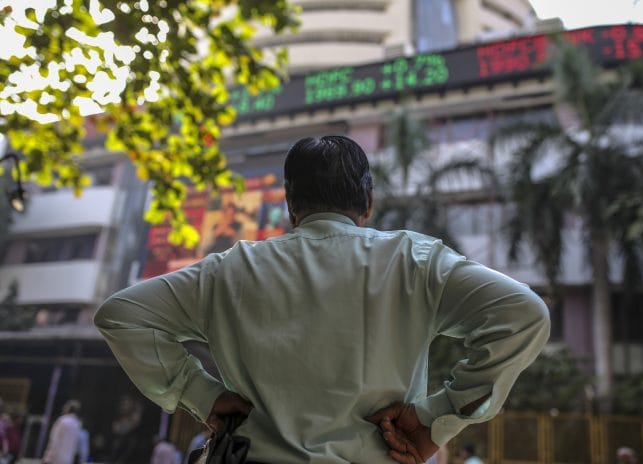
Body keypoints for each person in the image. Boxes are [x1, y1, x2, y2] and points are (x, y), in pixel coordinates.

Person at [95, 135, 550, 464]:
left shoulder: (230, 270)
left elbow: (122, 315)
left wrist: (199, 393)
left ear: (290, 205)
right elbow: (522, 315)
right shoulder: (414, 261)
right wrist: (437, 419)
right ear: (368, 201)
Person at [42, 400, 82, 464]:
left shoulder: (62, 420)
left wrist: (48, 457)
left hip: (55, 458)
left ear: (68, 408)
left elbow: (54, 440)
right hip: (68, 459)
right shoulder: (77, 424)